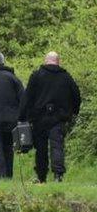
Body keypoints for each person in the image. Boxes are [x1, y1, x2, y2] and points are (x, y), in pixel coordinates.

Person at [19, 52, 81, 183]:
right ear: (58, 62)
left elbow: (27, 97)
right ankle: (58, 175)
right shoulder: (66, 77)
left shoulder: (36, 75)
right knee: (57, 146)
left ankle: (41, 177)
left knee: (40, 149)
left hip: (39, 118)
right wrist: (73, 112)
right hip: (59, 118)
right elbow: (76, 95)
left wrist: (22, 117)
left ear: (45, 61)